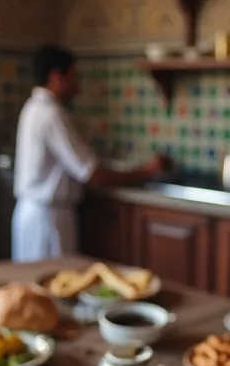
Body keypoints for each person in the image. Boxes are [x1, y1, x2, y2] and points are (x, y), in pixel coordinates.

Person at [11, 44, 165, 261]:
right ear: (56, 76)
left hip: (32, 214)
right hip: (48, 221)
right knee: (54, 286)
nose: (78, 82)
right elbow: (92, 174)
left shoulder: (32, 107)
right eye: (74, 75)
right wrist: (146, 170)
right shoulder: (52, 115)